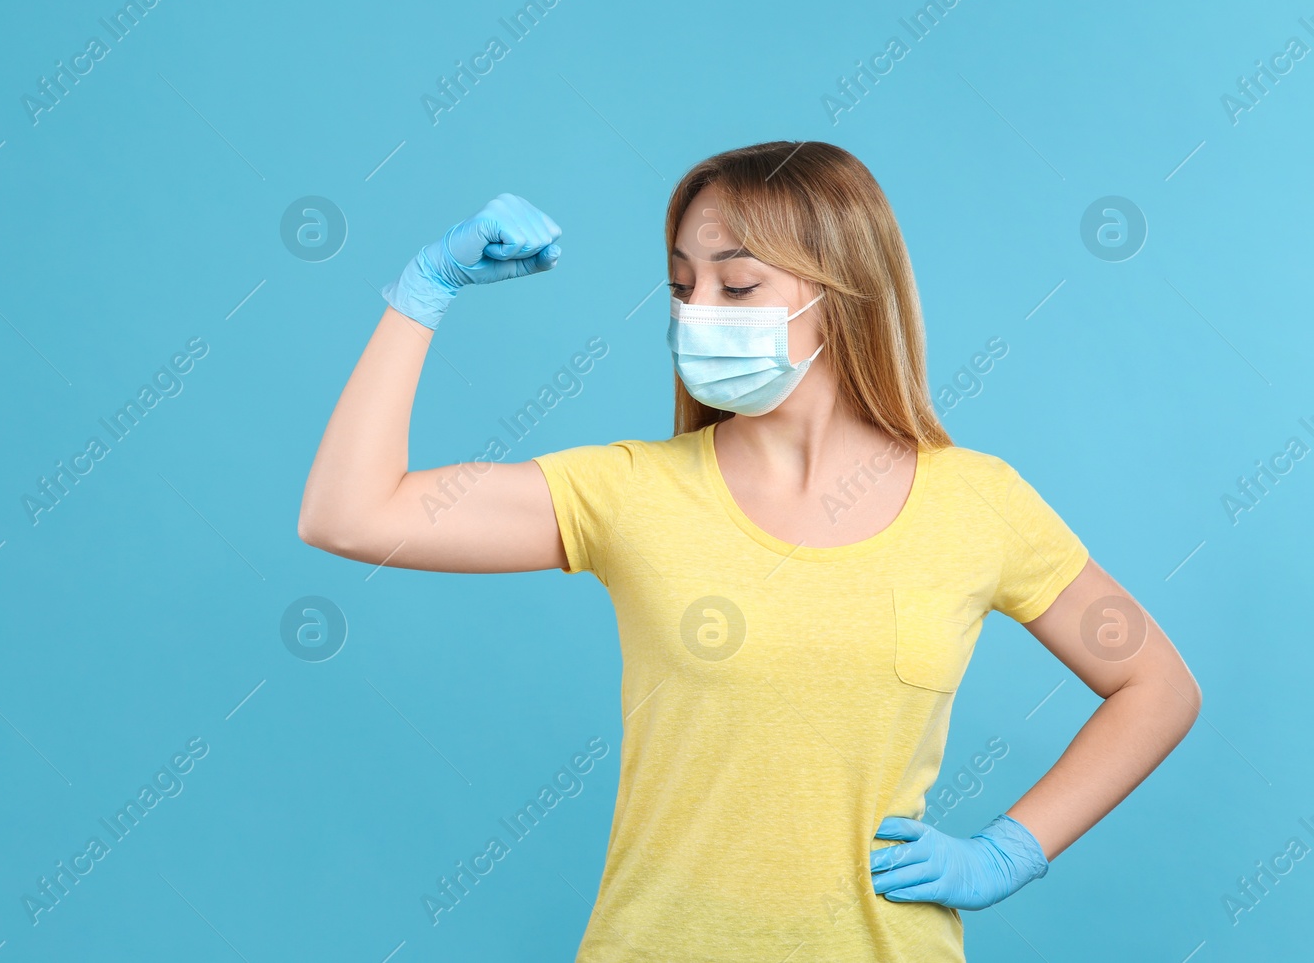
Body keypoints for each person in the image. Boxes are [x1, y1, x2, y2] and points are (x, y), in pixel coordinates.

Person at [298, 140, 1201, 961]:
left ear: (841, 292)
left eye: (737, 287)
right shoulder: (628, 493)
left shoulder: (979, 502)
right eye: (682, 286)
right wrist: (423, 290)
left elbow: (1157, 685)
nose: (700, 314)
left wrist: (1011, 851)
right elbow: (350, 513)